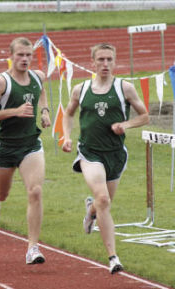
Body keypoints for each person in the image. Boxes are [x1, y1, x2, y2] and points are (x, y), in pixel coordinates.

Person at [62, 43, 149, 274]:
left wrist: (125, 124)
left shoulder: (124, 88)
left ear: (115, 61)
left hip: (116, 155)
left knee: (103, 201)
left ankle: (91, 210)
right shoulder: (80, 89)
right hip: (89, 153)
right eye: (101, 60)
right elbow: (69, 113)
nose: (105, 64)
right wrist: (67, 137)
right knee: (104, 199)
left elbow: (144, 116)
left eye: (109, 59)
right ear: (92, 62)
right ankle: (113, 257)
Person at [0, 37, 51, 264]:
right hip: (7, 146)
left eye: (28, 55)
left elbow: (42, 94)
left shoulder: (38, 77)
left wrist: (45, 111)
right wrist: (14, 111)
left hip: (31, 145)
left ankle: (32, 248)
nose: (25, 59)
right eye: (20, 55)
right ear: (11, 56)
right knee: (1, 194)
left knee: (35, 191)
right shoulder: (2, 82)